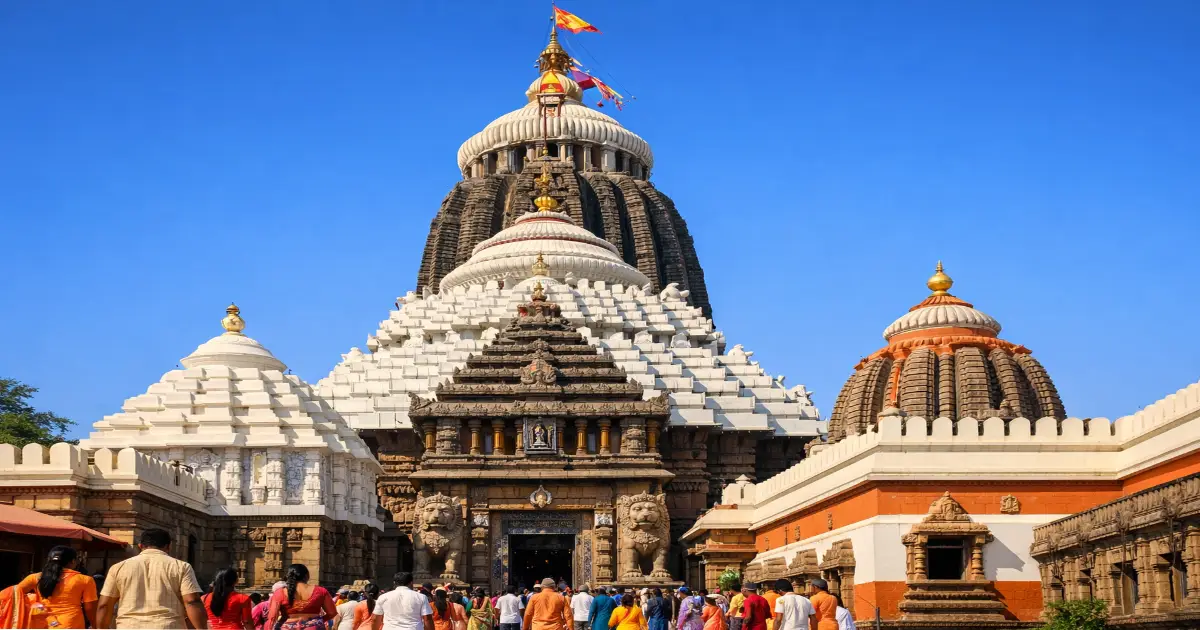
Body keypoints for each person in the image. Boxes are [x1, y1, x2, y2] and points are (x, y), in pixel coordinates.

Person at [96, 528, 207, 629]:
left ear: (140, 546)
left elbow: (104, 605)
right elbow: (191, 601)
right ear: (168, 546)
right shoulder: (181, 567)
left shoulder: (118, 568)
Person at [6, 545, 98, 629]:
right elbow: (90, 608)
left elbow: (11, 594)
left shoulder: (35, 578)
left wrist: (31, 601)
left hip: (40, 623)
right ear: (73, 561)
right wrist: (95, 625)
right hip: (70, 624)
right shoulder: (85, 580)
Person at [265, 564, 336, 630]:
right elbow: (332, 613)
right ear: (307, 576)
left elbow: (272, 617)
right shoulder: (321, 591)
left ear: (288, 576)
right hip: (313, 627)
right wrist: (317, 621)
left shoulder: (280, 593)